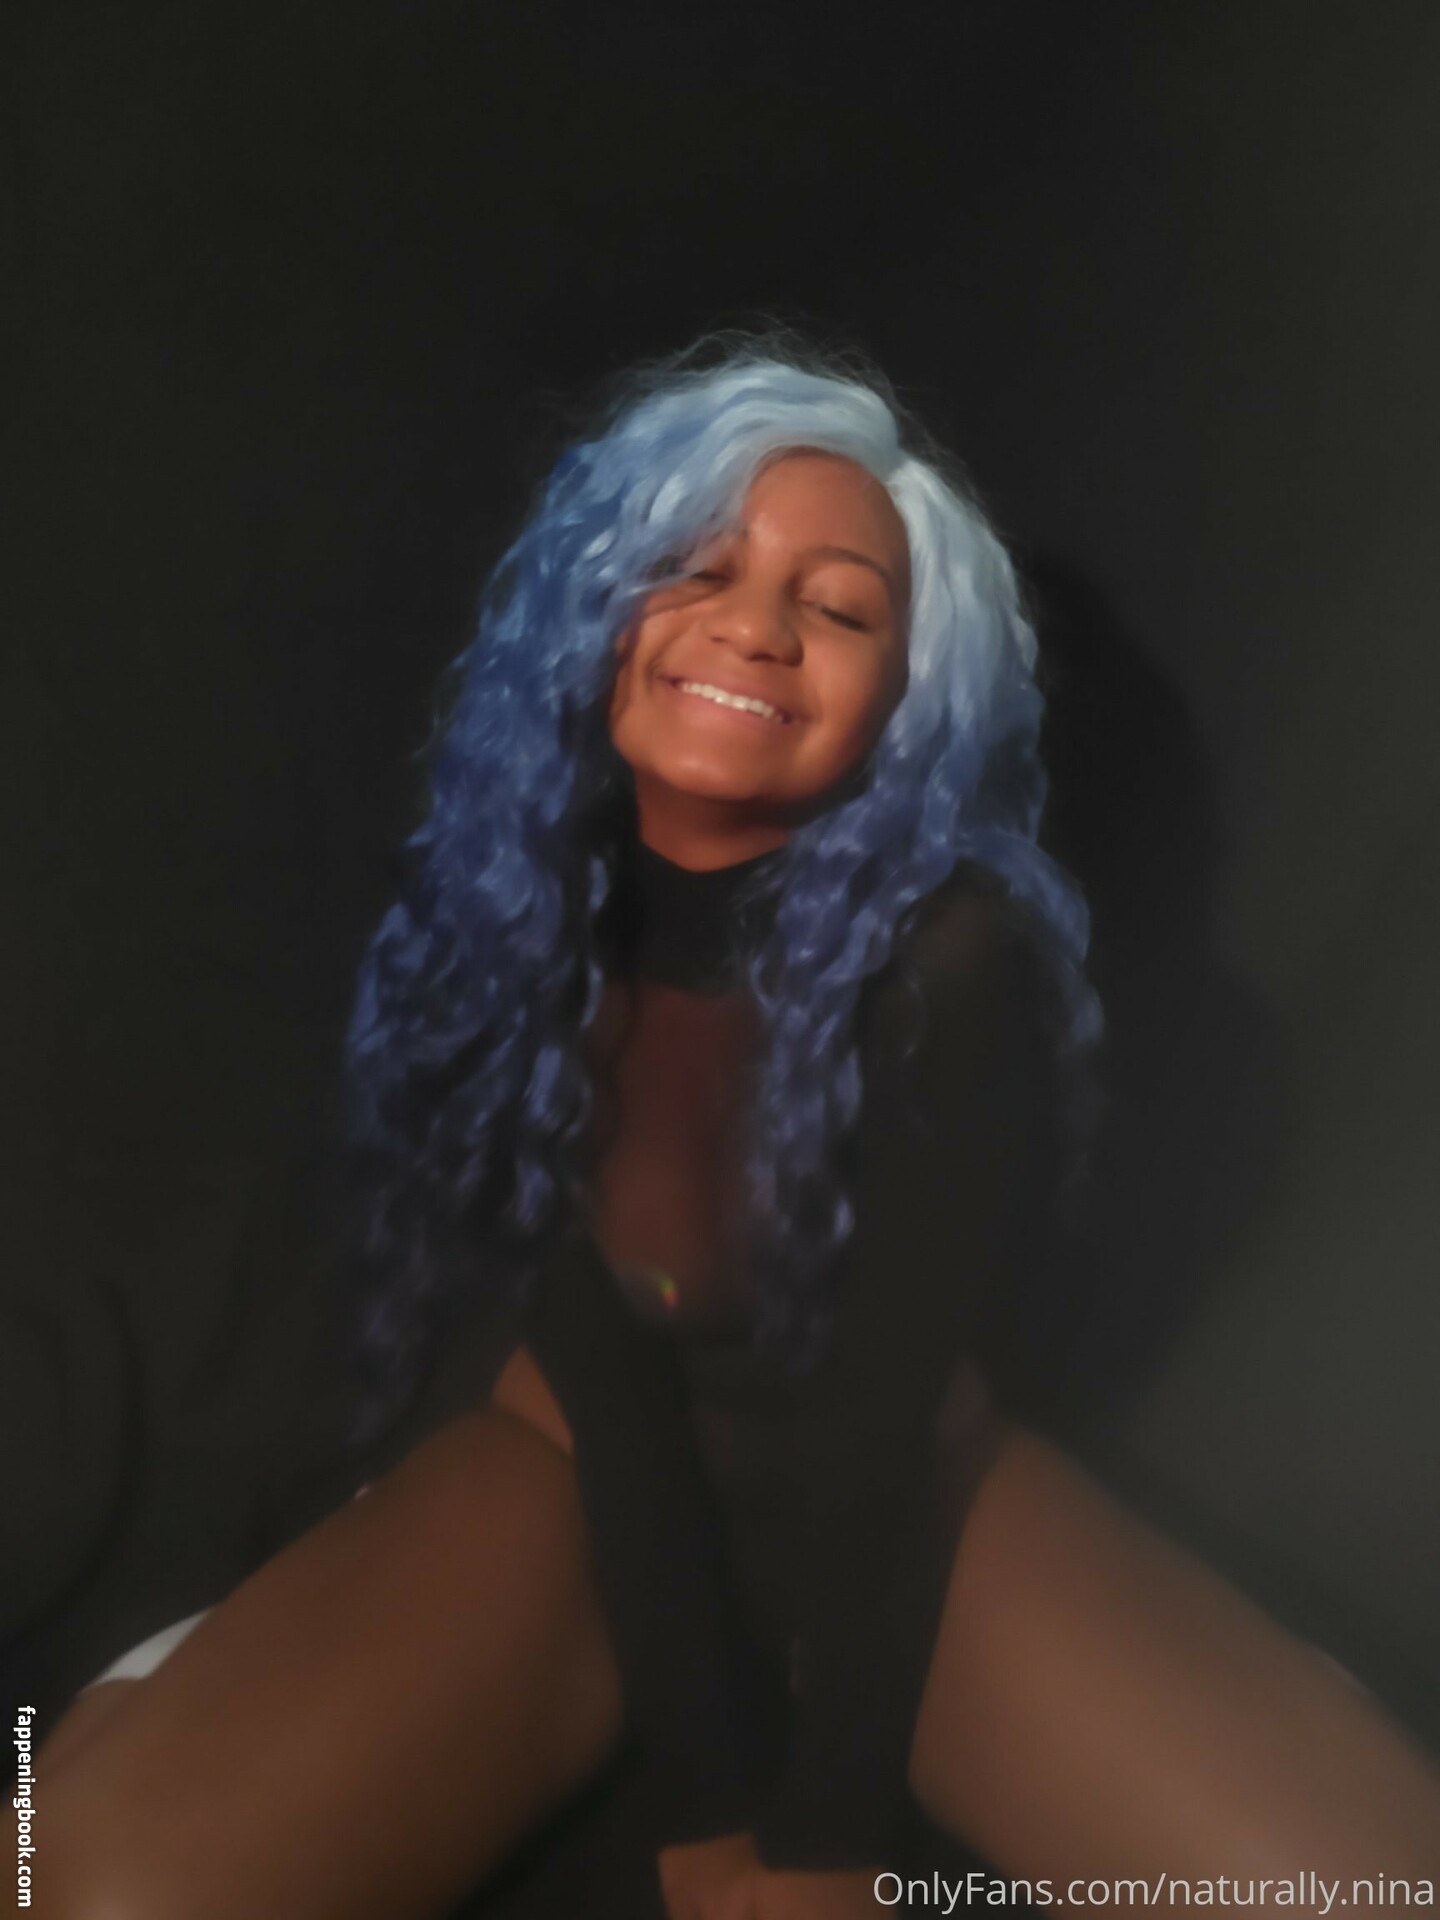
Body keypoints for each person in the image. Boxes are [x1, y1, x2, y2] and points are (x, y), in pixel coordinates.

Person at [20, 342, 1440, 1919]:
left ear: (906, 698)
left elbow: (884, 1414)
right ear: (602, 615)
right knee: (74, 1887)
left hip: (899, 1498)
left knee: (1379, 1894)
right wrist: (707, 1803)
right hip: (585, 1468)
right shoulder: (528, 912)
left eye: (840, 608)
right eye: (697, 569)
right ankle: (161, 1691)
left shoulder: (957, 961)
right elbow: (610, 1379)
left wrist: (827, 1827)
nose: (756, 626)